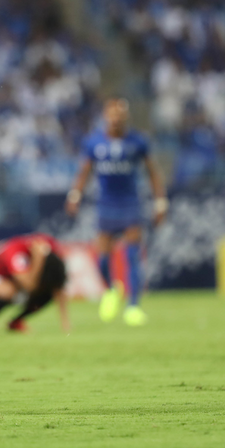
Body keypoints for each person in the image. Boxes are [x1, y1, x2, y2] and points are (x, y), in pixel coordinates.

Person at [66, 97, 167, 326]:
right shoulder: (94, 142)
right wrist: (75, 195)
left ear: (126, 117)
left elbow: (153, 173)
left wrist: (160, 203)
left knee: (132, 256)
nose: (116, 119)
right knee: (101, 258)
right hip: (106, 204)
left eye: (120, 115)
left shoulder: (138, 142)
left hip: (130, 203)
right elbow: (84, 171)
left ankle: (133, 307)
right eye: (112, 115)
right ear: (105, 116)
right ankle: (112, 289)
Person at [0, 234, 70, 334]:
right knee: (8, 289)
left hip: (14, 286)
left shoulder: (50, 248)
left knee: (46, 291)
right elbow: (29, 286)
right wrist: (38, 259)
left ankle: (16, 322)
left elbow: (58, 284)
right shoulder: (16, 249)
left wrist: (65, 322)